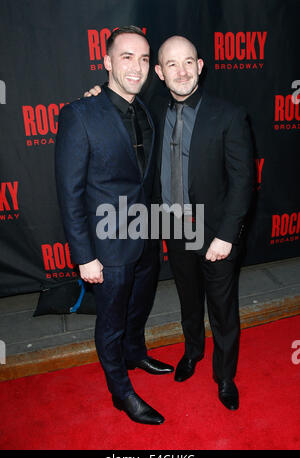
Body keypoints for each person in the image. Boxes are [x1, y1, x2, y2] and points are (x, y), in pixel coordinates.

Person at [84, 35, 254, 411]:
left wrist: (227, 236)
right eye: (172, 65)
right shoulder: (151, 110)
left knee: (223, 308)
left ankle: (224, 375)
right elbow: (113, 109)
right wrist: (95, 96)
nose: (182, 71)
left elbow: (243, 182)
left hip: (216, 234)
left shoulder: (228, 115)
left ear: (200, 66)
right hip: (174, 226)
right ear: (159, 72)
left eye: (189, 62)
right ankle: (192, 353)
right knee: (189, 300)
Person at [55, 26, 174, 426]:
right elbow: (70, 194)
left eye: (144, 59)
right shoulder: (79, 114)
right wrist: (84, 257)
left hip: (145, 236)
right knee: (109, 323)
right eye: (126, 57)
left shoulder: (146, 110)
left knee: (138, 307)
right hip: (106, 247)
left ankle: (135, 352)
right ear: (106, 61)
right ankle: (121, 392)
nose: (136, 67)